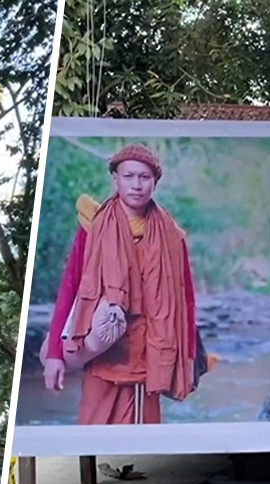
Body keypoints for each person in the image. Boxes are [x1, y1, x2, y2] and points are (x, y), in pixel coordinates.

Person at [42, 143, 198, 425]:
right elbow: (70, 288)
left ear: (155, 182)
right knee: (92, 431)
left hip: (149, 353)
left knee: (144, 443)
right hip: (102, 348)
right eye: (129, 176)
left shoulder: (172, 236)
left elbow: (185, 301)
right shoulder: (93, 226)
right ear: (115, 179)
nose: (136, 185)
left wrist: (188, 358)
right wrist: (55, 354)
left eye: (144, 177)